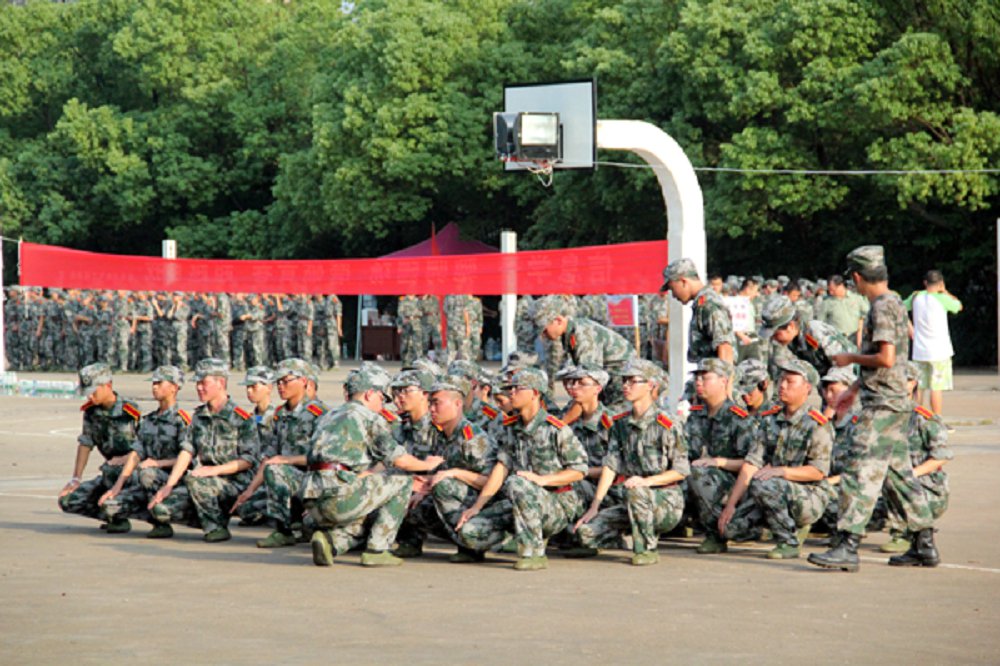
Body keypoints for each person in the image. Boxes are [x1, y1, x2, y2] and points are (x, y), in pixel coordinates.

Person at [809, 245, 939, 572]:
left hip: (883, 405)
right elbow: (888, 362)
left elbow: (886, 358)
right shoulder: (893, 302)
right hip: (892, 401)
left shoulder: (881, 306)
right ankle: (923, 543)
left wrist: (849, 358)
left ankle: (847, 545)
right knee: (898, 476)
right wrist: (853, 389)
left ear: (856, 277)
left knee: (858, 471)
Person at [300, 364, 444, 568]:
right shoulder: (369, 417)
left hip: (311, 500)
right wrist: (426, 464)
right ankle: (377, 549)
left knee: (369, 506)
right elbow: (399, 460)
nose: (384, 405)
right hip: (338, 498)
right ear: (370, 394)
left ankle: (332, 543)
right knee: (402, 481)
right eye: (382, 398)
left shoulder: (329, 416)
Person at [453, 367, 588, 571]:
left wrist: (543, 480)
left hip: (556, 504)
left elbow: (579, 470)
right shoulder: (511, 428)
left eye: (518, 388)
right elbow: (501, 467)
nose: (511, 393)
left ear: (535, 393)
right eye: (511, 389)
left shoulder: (555, 429)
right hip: (518, 501)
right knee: (470, 532)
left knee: (517, 482)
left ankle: (534, 553)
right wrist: (478, 506)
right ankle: (511, 538)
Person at [573, 359, 689, 566]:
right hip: (630, 499)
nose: (626, 386)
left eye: (633, 381)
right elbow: (611, 465)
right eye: (624, 381)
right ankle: (622, 538)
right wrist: (595, 506)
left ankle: (646, 549)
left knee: (637, 492)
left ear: (650, 385)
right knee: (585, 533)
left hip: (665, 500)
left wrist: (647, 482)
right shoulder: (621, 423)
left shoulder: (667, 423)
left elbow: (680, 471)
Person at [720, 358, 834, 560]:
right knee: (730, 529)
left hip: (809, 495)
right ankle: (777, 524)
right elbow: (751, 464)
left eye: (790, 381)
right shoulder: (770, 419)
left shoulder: (816, 424)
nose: (782, 385)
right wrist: (731, 505)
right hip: (774, 490)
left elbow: (818, 471)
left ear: (807, 388)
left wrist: (782, 472)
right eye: (781, 380)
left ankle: (789, 541)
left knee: (765, 483)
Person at [147, 358, 260, 542]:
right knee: (161, 510)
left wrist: (214, 470)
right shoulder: (199, 416)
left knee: (195, 480)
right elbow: (186, 451)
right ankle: (210, 516)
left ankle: (216, 528)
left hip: (235, 483)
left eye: (203, 383)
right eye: (197, 383)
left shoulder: (241, 418)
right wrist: (169, 486)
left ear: (220, 383)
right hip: (204, 482)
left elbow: (248, 460)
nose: (199, 388)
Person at [233, 358, 328, 548]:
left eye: (286, 381)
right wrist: (249, 490)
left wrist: (287, 460)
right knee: (246, 508)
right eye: (278, 382)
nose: (280, 386)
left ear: (303, 381)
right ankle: (296, 521)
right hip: (287, 478)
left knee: (276, 469)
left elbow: (323, 457)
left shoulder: (318, 414)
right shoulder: (280, 414)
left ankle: (284, 530)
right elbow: (268, 457)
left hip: (314, 480)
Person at [98, 365, 191, 539]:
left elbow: (187, 458)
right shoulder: (149, 420)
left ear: (174, 387)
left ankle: (161, 522)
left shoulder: (181, 420)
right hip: (146, 477)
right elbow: (136, 453)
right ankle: (125, 518)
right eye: (153, 383)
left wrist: (157, 464)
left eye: (159, 383)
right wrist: (117, 486)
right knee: (110, 505)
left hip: (173, 481)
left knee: (147, 473)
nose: (154, 387)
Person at [686, 358, 760, 554]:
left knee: (698, 473)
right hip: (704, 479)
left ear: (723, 381)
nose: (699, 382)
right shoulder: (696, 415)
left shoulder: (738, 418)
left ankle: (716, 534)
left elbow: (753, 463)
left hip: (733, 483)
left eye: (705, 377)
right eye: (697, 378)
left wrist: (719, 462)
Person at [58, 363, 142, 533]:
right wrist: (76, 479)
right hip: (110, 474)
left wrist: (124, 459)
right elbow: (85, 443)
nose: (90, 396)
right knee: (68, 501)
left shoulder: (129, 412)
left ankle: (135, 515)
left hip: (133, 474)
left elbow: (145, 447)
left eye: (93, 391)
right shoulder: (91, 413)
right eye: (87, 392)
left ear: (108, 385)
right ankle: (113, 515)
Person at [423, 379, 498, 563]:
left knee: (444, 485)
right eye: (430, 403)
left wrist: (456, 473)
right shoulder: (440, 434)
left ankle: (472, 543)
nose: (431, 409)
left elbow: (492, 482)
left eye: (437, 403)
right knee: (413, 502)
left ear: (457, 404)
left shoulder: (472, 438)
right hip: (461, 500)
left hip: (486, 505)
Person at [904, 270, 963, 417]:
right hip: (939, 351)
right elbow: (958, 306)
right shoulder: (942, 298)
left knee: (920, 386)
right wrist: (946, 292)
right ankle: (936, 419)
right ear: (941, 283)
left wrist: (910, 327)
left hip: (919, 350)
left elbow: (901, 308)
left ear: (925, 283)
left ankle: (916, 418)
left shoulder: (916, 296)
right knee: (936, 387)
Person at [660, 258, 735, 364]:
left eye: (672, 288)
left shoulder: (708, 304)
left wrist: (723, 374)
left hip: (715, 372)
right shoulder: (702, 304)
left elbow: (725, 347)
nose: (673, 295)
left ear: (683, 282)